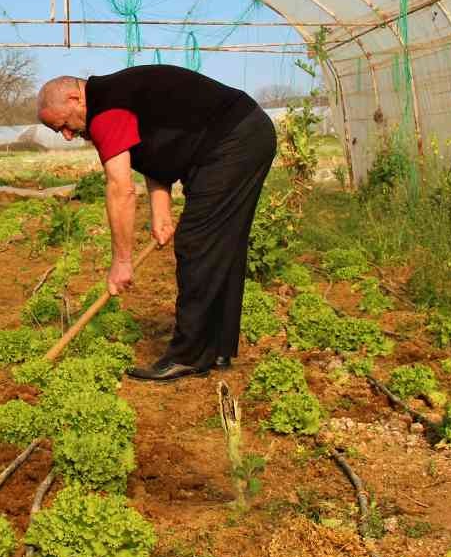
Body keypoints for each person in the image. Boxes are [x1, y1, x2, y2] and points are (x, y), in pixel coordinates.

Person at [37, 65, 276, 380]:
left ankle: (189, 355)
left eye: (64, 125)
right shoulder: (116, 100)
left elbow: (120, 189)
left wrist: (122, 261)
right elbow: (156, 154)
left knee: (197, 243)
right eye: (60, 132)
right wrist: (160, 213)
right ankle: (215, 347)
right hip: (240, 134)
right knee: (221, 244)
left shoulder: (107, 109)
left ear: (74, 98)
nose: (67, 136)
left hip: (233, 138)